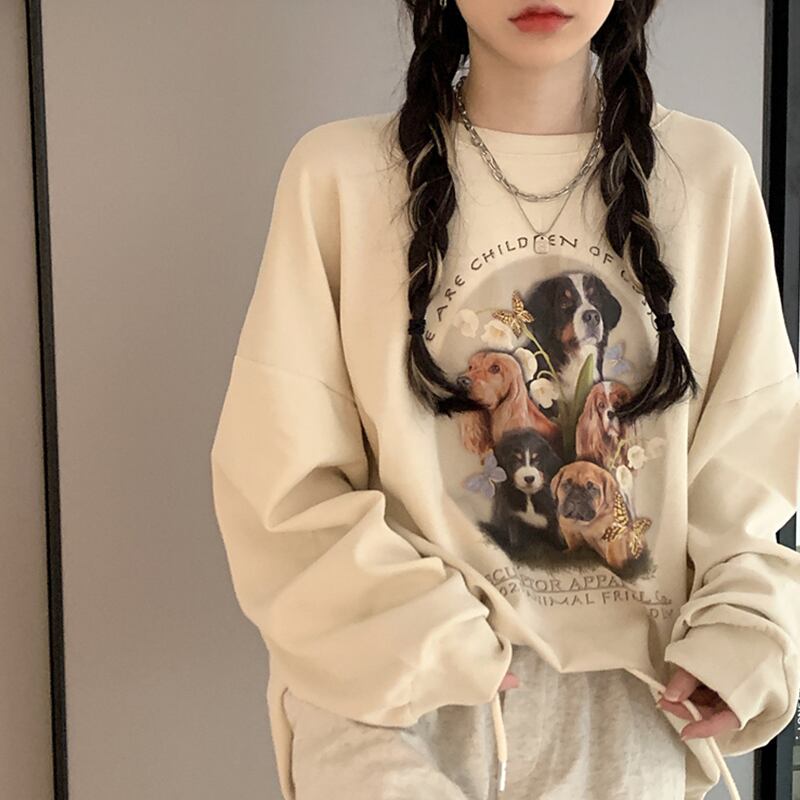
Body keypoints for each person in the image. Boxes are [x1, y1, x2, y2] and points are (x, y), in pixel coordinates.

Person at [209, 1, 800, 798]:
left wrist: (743, 632)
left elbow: (751, 465)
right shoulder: (339, 177)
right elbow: (280, 484)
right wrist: (437, 641)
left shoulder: (705, 175)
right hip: (393, 707)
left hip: (632, 718)